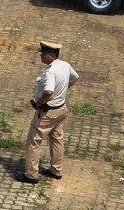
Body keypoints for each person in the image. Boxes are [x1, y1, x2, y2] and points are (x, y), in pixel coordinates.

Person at [19, 41, 80, 184]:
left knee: (33, 142)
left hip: (47, 112)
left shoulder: (50, 72)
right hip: (61, 110)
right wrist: (63, 90)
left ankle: (31, 175)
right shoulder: (65, 65)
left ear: (51, 55)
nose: (41, 56)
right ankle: (56, 170)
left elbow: (48, 91)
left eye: (43, 54)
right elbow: (75, 77)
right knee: (57, 139)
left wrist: (40, 102)